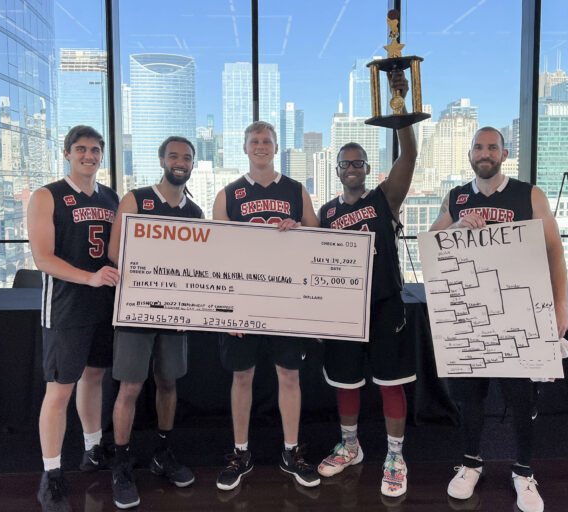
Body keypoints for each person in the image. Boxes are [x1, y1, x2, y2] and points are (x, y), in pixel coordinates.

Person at [429, 126, 568, 512]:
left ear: (504, 154)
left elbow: (554, 250)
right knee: (469, 396)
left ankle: (524, 472)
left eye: (492, 147)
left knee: (522, 398)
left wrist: (561, 305)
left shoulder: (529, 194)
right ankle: (471, 463)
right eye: (478, 147)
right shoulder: (456, 198)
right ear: (470, 154)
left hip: (519, 311)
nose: (485, 153)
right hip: (470, 312)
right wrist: (456, 228)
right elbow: (432, 244)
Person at [315, 71, 417, 498]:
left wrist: (401, 110)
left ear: (367, 168)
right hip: (344, 309)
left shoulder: (383, 198)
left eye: (359, 162)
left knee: (390, 381)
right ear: (337, 170)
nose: (353, 168)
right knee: (346, 381)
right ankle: (351, 446)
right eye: (346, 163)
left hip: (384, 303)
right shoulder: (325, 212)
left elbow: (409, 155)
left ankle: (395, 455)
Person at [212, 121, 320, 491]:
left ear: (276, 147)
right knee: (242, 376)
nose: (261, 146)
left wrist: (299, 230)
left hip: (285, 299)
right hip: (244, 300)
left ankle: (291, 451)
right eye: (255, 141)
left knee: (289, 375)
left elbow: (317, 239)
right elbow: (218, 255)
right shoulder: (227, 194)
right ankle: (240, 452)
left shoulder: (296, 189)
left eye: (267, 141)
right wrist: (228, 307)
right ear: (245, 148)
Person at [106, 136, 202, 509]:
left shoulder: (195, 213)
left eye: (187, 157)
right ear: (162, 160)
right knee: (130, 386)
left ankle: (163, 453)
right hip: (137, 306)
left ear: (192, 164)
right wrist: (156, 272)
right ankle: (121, 464)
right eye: (174, 156)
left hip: (175, 310)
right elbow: (115, 251)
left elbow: (201, 266)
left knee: (168, 381)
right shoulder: (137, 199)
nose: (180, 162)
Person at [27, 125, 120, 512]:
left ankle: (92, 448)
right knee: (60, 390)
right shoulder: (46, 195)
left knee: (94, 377)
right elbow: (42, 258)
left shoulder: (110, 197)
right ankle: (50, 475)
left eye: (95, 150)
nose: (89, 155)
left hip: (104, 305)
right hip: (67, 306)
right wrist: (89, 278)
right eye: (81, 149)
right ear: (67, 153)